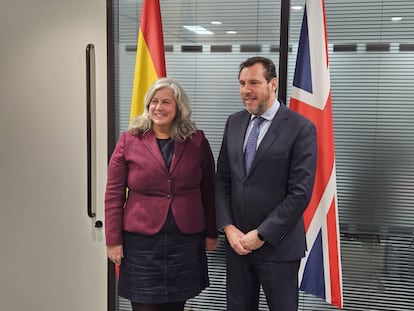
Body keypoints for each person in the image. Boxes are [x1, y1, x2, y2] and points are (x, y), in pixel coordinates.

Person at [105, 77, 218, 311]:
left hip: (184, 241)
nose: (159, 107)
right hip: (141, 244)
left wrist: (211, 232)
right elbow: (114, 194)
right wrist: (113, 240)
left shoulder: (196, 141)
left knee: (176, 306)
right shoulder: (129, 140)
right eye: (154, 101)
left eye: (166, 102)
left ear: (178, 107)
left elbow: (208, 189)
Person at [216, 56, 317, 311]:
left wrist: (262, 234)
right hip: (238, 246)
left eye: (253, 83)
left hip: (278, 248)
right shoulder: (234, 122)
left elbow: (300, 193)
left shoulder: (300, 127)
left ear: (273, 84)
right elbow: (223, 180)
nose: (246, 91)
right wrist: (228, 228)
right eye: (241, 83)